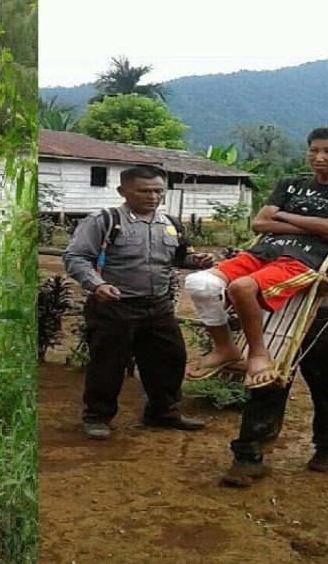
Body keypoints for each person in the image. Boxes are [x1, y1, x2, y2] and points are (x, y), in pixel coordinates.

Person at [183, 125, 328, 389]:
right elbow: (260, 224)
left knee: (241, 287)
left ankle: (258, 353)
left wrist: (283, 215)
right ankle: (225, 347)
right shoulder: (290, 184)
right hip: (262, 252)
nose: (318, 157)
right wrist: (317, 226)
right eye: (313, 150)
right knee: (199, 283)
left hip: (303, 260)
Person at [221, 214, 328, 485]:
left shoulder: (281, 238)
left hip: (272, 317)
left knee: (266, 384)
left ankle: (248, 458)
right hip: (325, 323)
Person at [62, 165, 214, 440]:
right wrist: (97, 285)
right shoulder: (104, 220)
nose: (153, 197)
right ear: (123, 191)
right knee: (108, 363)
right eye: (144, 191)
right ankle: (97, 416)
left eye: (158, 191)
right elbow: (76, 257)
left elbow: (178, 258)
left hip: (158, 306)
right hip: (115, 305)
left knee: (170, 359)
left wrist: (196, 261)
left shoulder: (170, 224)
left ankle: (163, 412)